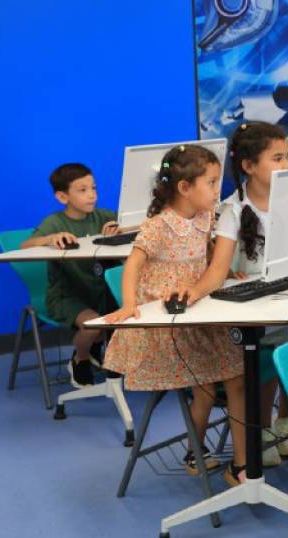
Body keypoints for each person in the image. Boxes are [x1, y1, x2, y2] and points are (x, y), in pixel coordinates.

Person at [103, 145, 248, 487]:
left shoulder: (205, 217)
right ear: (185, 188)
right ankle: (195, 450)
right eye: (211, 183)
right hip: (166, 325)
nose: (217, 190)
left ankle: (237, 460)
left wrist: (228, 273)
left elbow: (207, 254)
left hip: (197, 313)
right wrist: (128, 304)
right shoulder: (159, 225)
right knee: (206, 385)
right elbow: (133, 265)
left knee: (237, 374)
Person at [210, 121, 288, 467]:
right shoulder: (232, 210)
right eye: (278, 158)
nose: (287, 165)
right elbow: (218, 269)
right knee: (269, 355)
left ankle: (285, 422)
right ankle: (261, 429)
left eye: (287, 156)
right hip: (254, 313)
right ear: (248, 166)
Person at [21, 163, 120, 387]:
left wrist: (120, 231)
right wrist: (49, 239)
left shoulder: (104, 216)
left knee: (122, 318)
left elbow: (138, 227)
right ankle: (80, 359)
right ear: (62, 197)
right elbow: (25, 246)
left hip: (101, 293)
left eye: (93, 188)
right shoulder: (55, 222)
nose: (92, 195)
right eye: (83, 190)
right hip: (67, 296)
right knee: (95, 325)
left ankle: (99, 350)